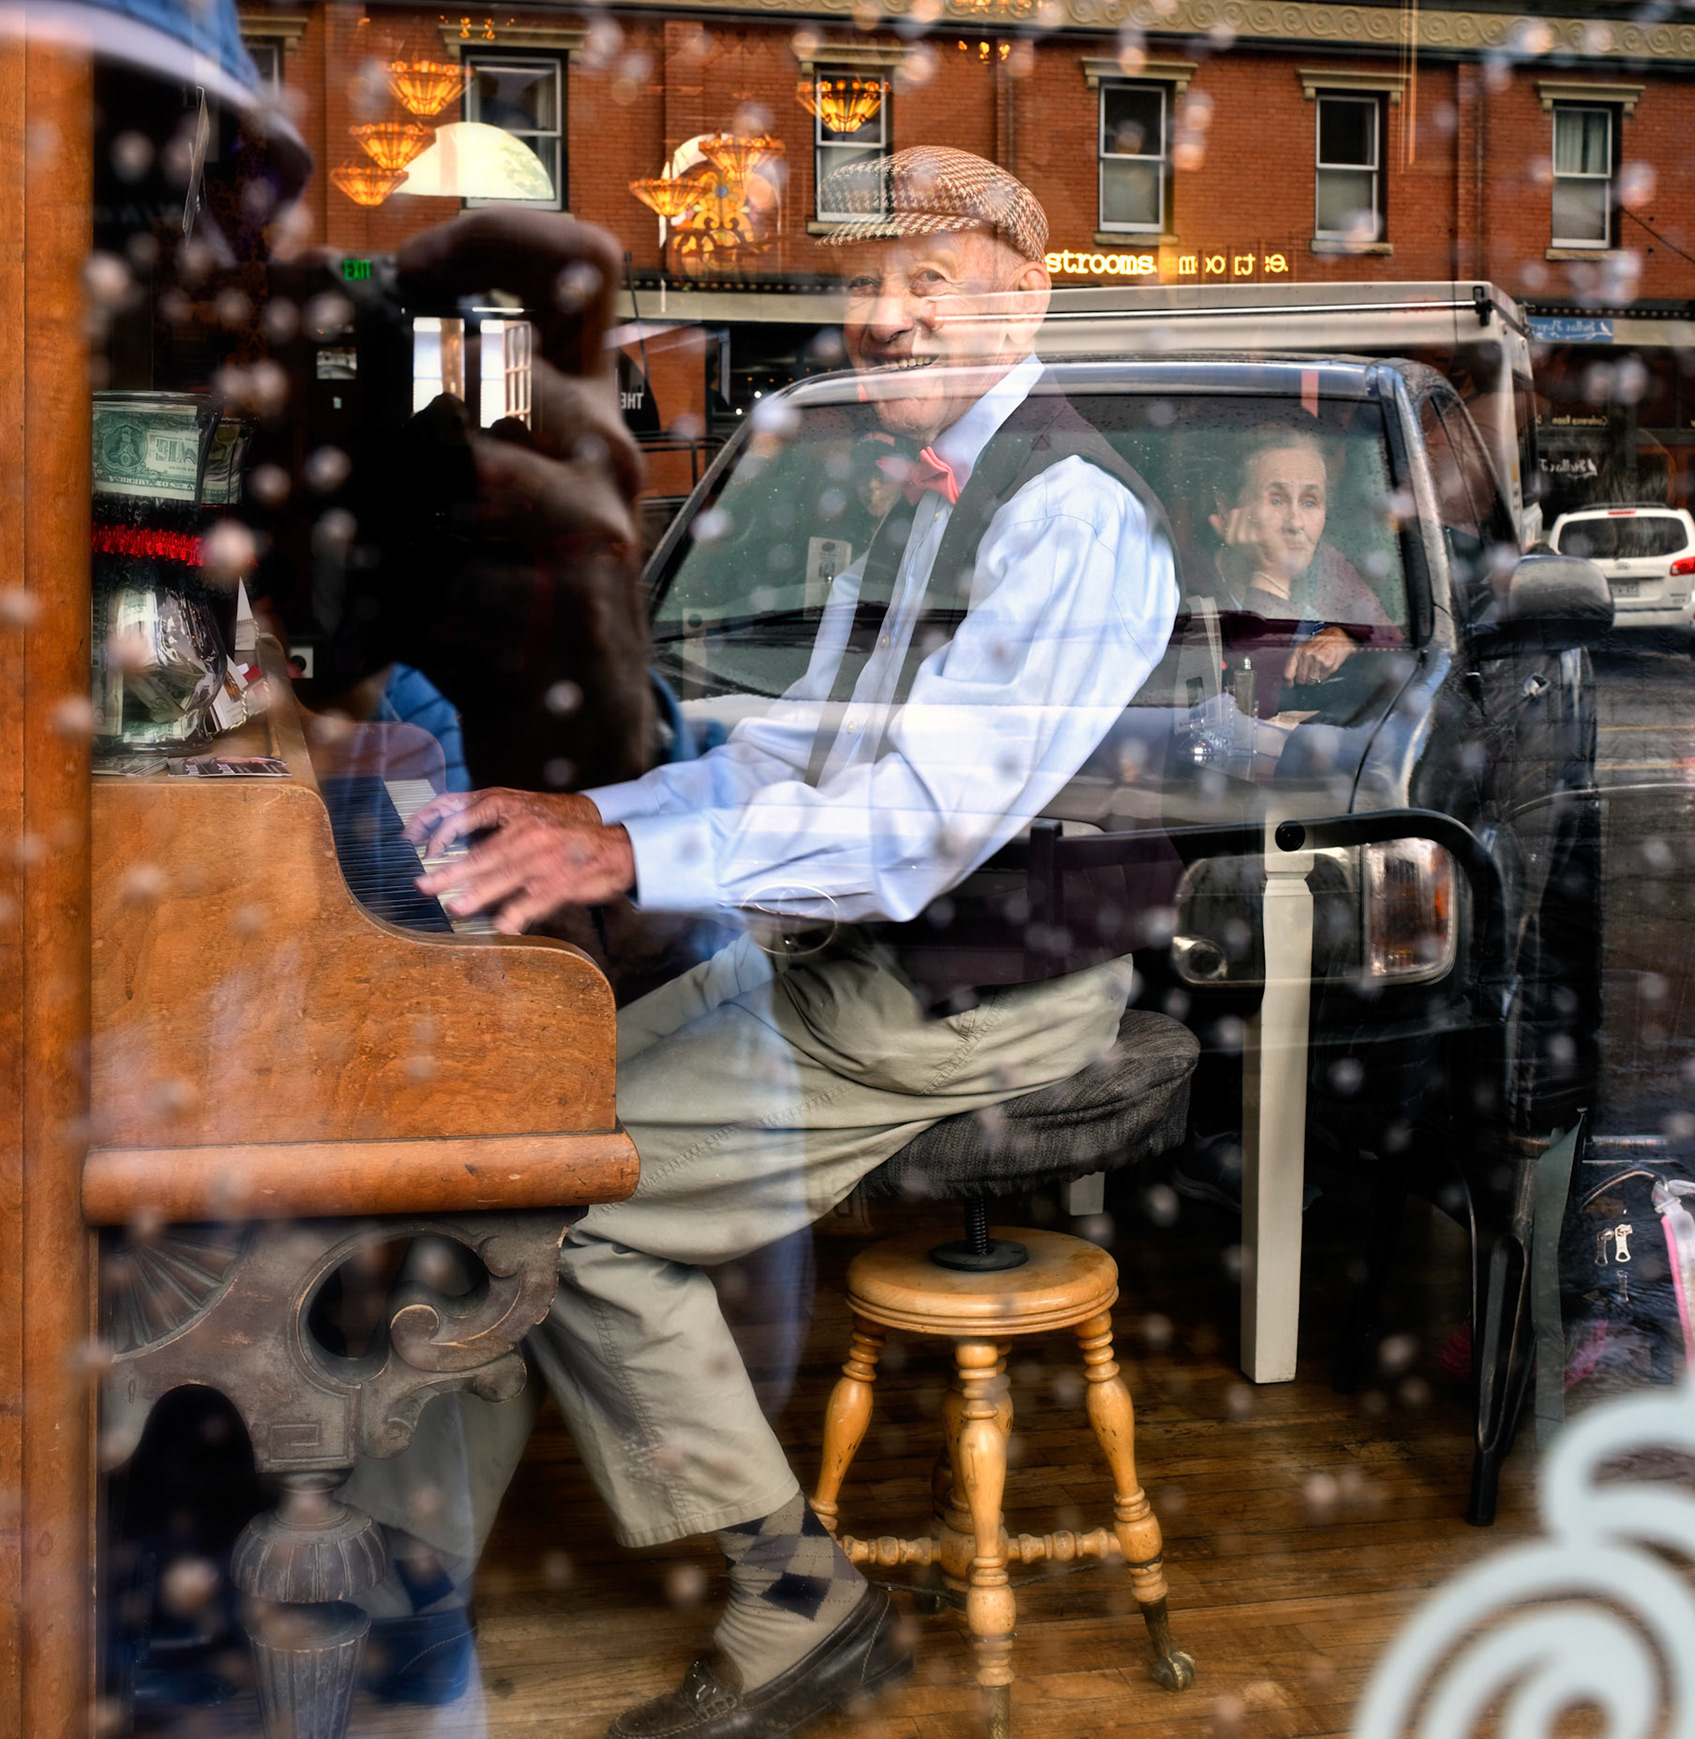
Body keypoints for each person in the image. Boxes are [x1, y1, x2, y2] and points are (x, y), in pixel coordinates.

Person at [342, 147, 1180, 1739]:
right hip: (870, 960)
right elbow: (809, 747)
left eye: (928, 281)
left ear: (1030, 295)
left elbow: (922, 822)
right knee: (507, 1143)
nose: (882, 315)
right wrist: (594, 805)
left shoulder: (1071, 516)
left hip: (988, 990)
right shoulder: (927, 498)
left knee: (573, 1209)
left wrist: (625, 843)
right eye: (865, 284)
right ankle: (400, 1577)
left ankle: (803, 1597)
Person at [1210, 434, 1394, 688]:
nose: (1296, 523)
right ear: (1226, 507)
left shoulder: (1326, 566)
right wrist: (1271, 575)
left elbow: (1392, 645)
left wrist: (1345, 638)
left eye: (1310, 502)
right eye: (1276, 500)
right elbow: (1251, 703)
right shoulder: (1184, 584)